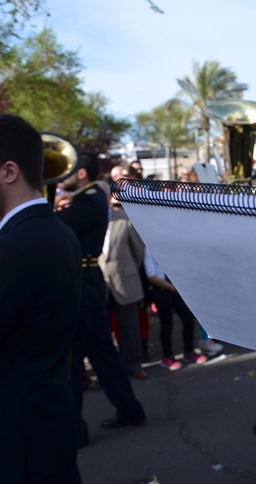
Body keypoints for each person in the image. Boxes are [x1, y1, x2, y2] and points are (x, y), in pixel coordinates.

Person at [0, 114, 82, 482]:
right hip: (46, 427)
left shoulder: (14, 247)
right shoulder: (57, 233)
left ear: (9, 172)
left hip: (13, 446)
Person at [57, 152, 146, 440]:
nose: (61, 177)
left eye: (67, 171)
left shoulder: (88, 198)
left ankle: (75, 430)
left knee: (72, 360)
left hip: (82, 285)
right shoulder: (93, 194)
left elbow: (53, 228)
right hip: (89, 282)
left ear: (81, 173)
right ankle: (130, 410)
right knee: (103, 355)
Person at [100, 195, 149, 379]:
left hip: (125, 280)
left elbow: (138, 251)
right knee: (104, 329)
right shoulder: (90, 219)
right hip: (101, 283)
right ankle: (111, 367)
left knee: (130, 326)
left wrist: (128, 270)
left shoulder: (124, 218)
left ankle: (134, 363)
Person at [144, 246, 207, 370]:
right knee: (166, 323)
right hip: (162, 288)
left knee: (188, 319)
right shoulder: (149, 249)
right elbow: (151, 275)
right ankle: (168, 356)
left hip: (177, 287)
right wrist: (172, 287)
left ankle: (189, 352)